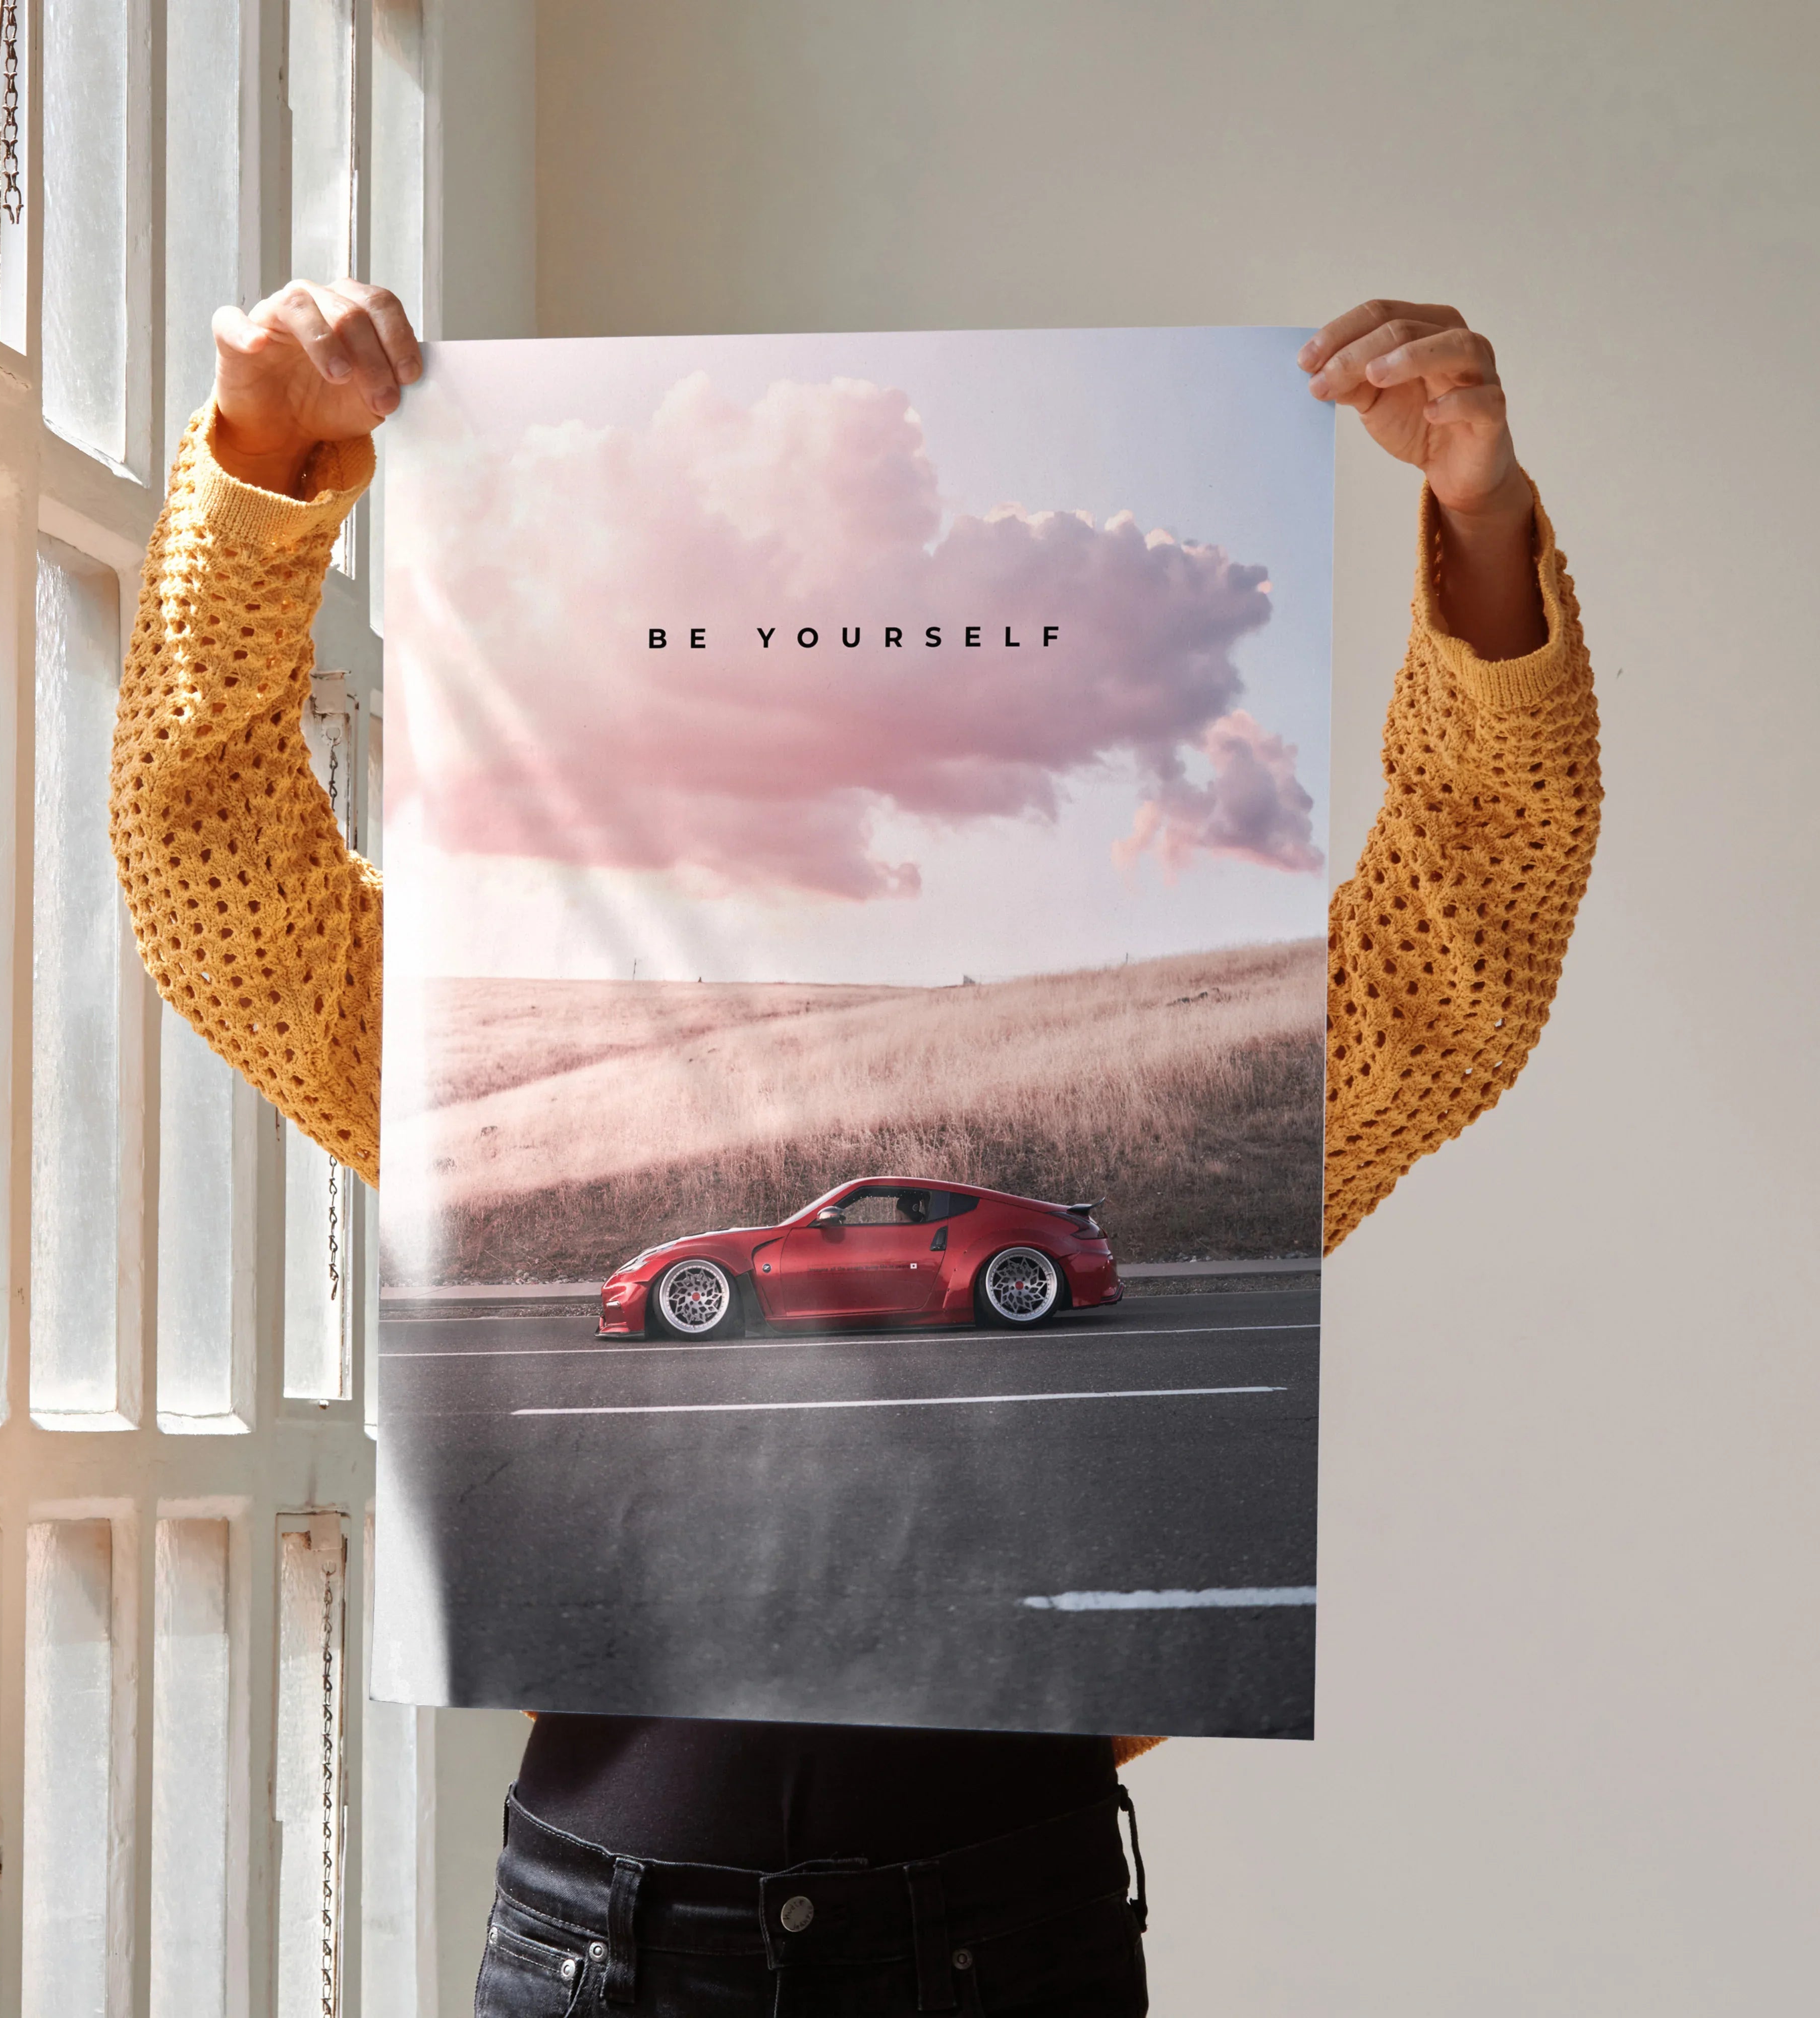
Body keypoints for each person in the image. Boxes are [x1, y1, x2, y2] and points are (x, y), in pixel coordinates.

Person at [111, 283, 1600, 2014]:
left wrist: (1480, 520)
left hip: (1002, 1935)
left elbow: (1464, 949)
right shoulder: (476, 1071)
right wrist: (260, 468)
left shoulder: (1054, 1142)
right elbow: (211, 875)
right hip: (609, 1948)